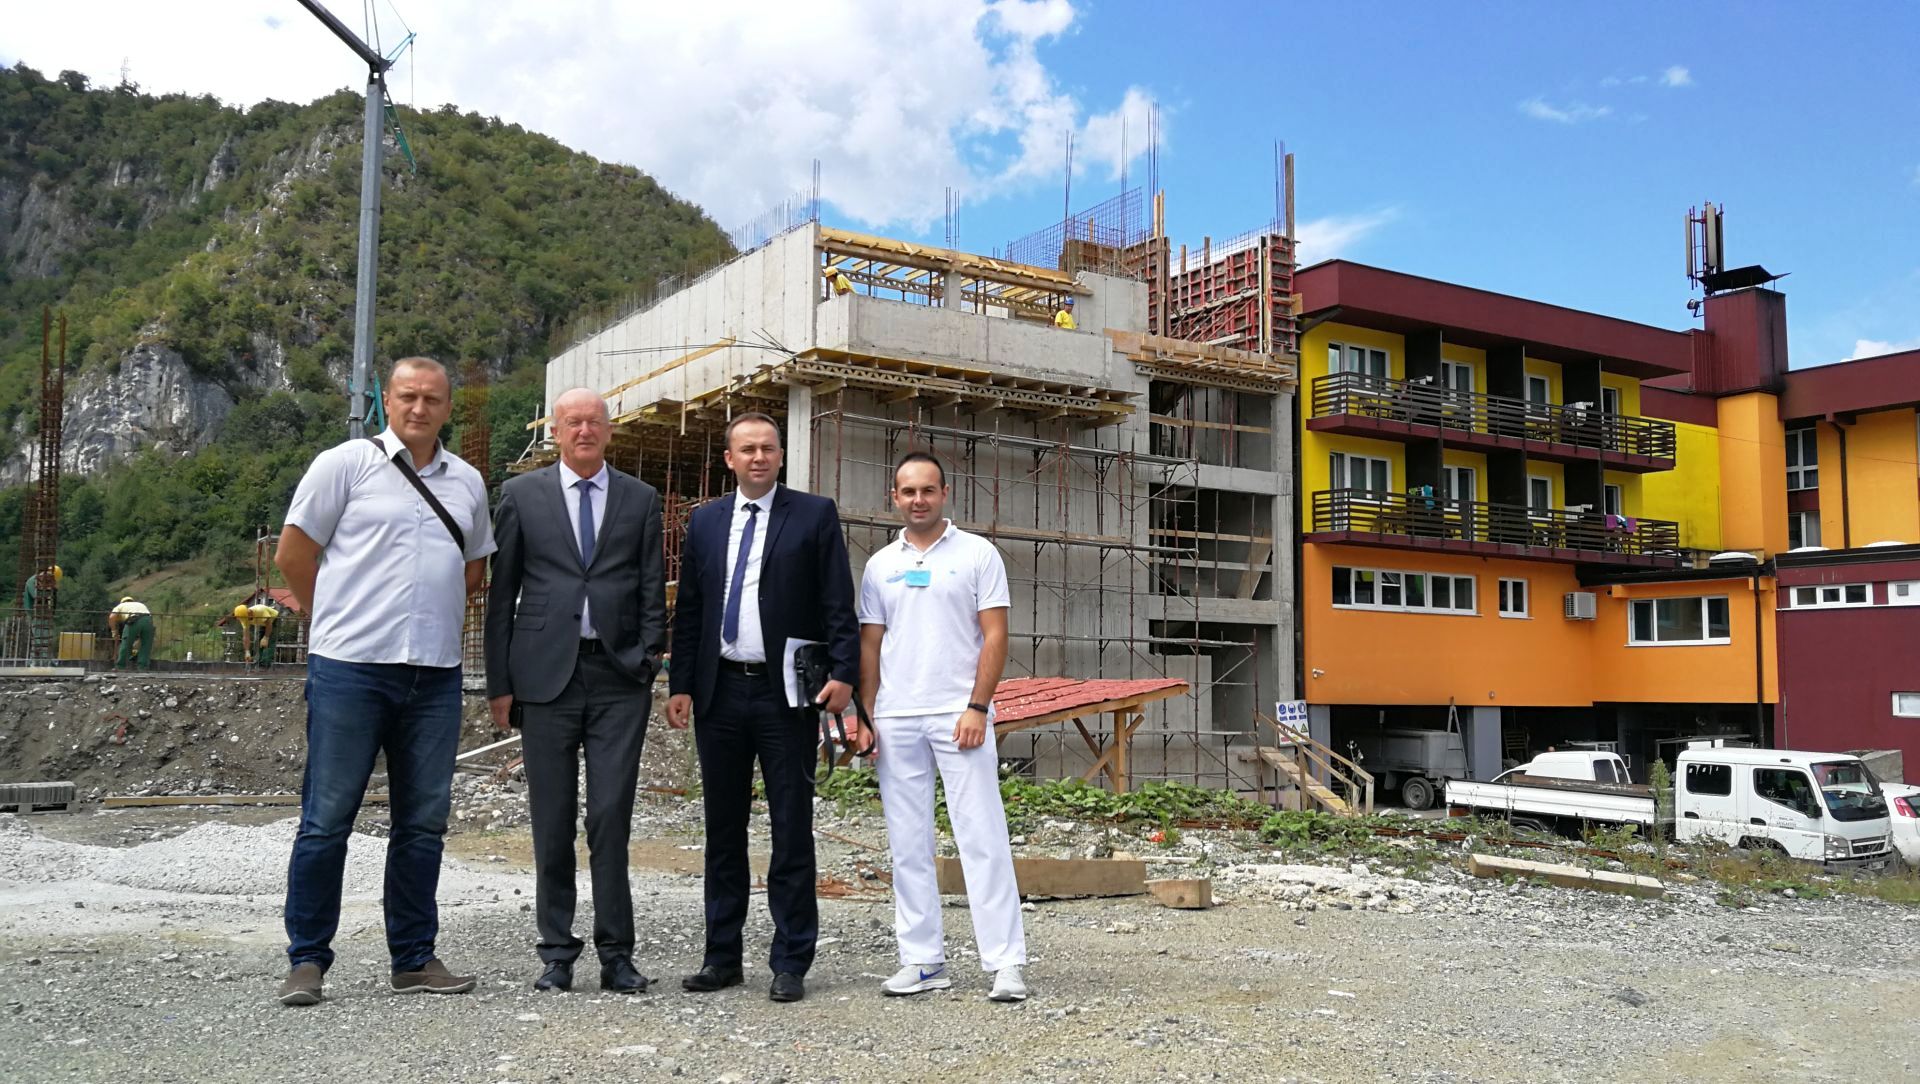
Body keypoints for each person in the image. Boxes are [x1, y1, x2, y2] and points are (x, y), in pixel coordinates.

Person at [271, 357, 495, 1008]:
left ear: (447, 408)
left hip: (434, 674)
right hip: (350, 669)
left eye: (432, 399)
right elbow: (293, 553)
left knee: (422, 824)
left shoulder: (468, 482)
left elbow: (473, 569)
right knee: (326, 819)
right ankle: (307, 960)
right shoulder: (344, 465)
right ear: (387, 402)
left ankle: (414, 958)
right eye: (407, 396)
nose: (419, 408)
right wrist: (334, 618)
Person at [666, 412, 859, 1004]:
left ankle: (790, 960)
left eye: (767, 448)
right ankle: (721, 957)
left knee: (791, 828)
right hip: (719, 692)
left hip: (784, 696)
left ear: (780, 455)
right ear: (729, 458)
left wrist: (845, 675)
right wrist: (680, 683)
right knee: (723, 829)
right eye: (747, 449)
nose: (758, 457)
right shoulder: (706, 521)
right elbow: (691, 607)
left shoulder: (813, 514)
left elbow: (836, 600)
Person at [485, 388, 667, 995]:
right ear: (556, 432)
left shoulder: (639, 498)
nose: (584, 430)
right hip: (544, 679)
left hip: (618, 679)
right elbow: (501, 596)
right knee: (552, 818)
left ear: (609, 431)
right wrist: (500, 683)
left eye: (594, 422)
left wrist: (648, 657)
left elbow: (651, 584)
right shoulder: (522, 495)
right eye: (572, 422)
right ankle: (557, 953)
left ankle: (617, 954)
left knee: (610, 817)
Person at [857, 451, 1027, 1003]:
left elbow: (996, 635)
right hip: (896, 717)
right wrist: (866, 716)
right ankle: (923, 960)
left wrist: (977, 706)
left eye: (927, 489)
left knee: (982, 837)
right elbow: (870, 645)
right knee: (908, 844)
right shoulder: (880, 564)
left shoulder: (977, 554)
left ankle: (1005, 963)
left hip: (959, 715)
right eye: (908, 491)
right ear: (895, 497)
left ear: (944, 493)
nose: (918, 499)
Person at [109, 596, 155, 671]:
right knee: (146, 644)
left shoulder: (121, 605)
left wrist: (114, 631)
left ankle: (121, 666)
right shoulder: (140, 604)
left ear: (122, 602)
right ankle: (142, 667)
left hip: (133, 620)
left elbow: (111, 617)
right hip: (148, 620)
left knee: (126, 643)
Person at [235, 601, 281, 668]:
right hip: (262, 623)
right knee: (259, 642)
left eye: (246, 617)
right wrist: (247, 651)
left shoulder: (260, 610)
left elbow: (269, 624)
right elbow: (246, 636)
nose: (246, 619)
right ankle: (259, 662)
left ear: (248, 612)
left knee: (270, 641)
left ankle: (265, 664)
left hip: (274, 619)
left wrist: (266, 637)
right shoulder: (244, 618)